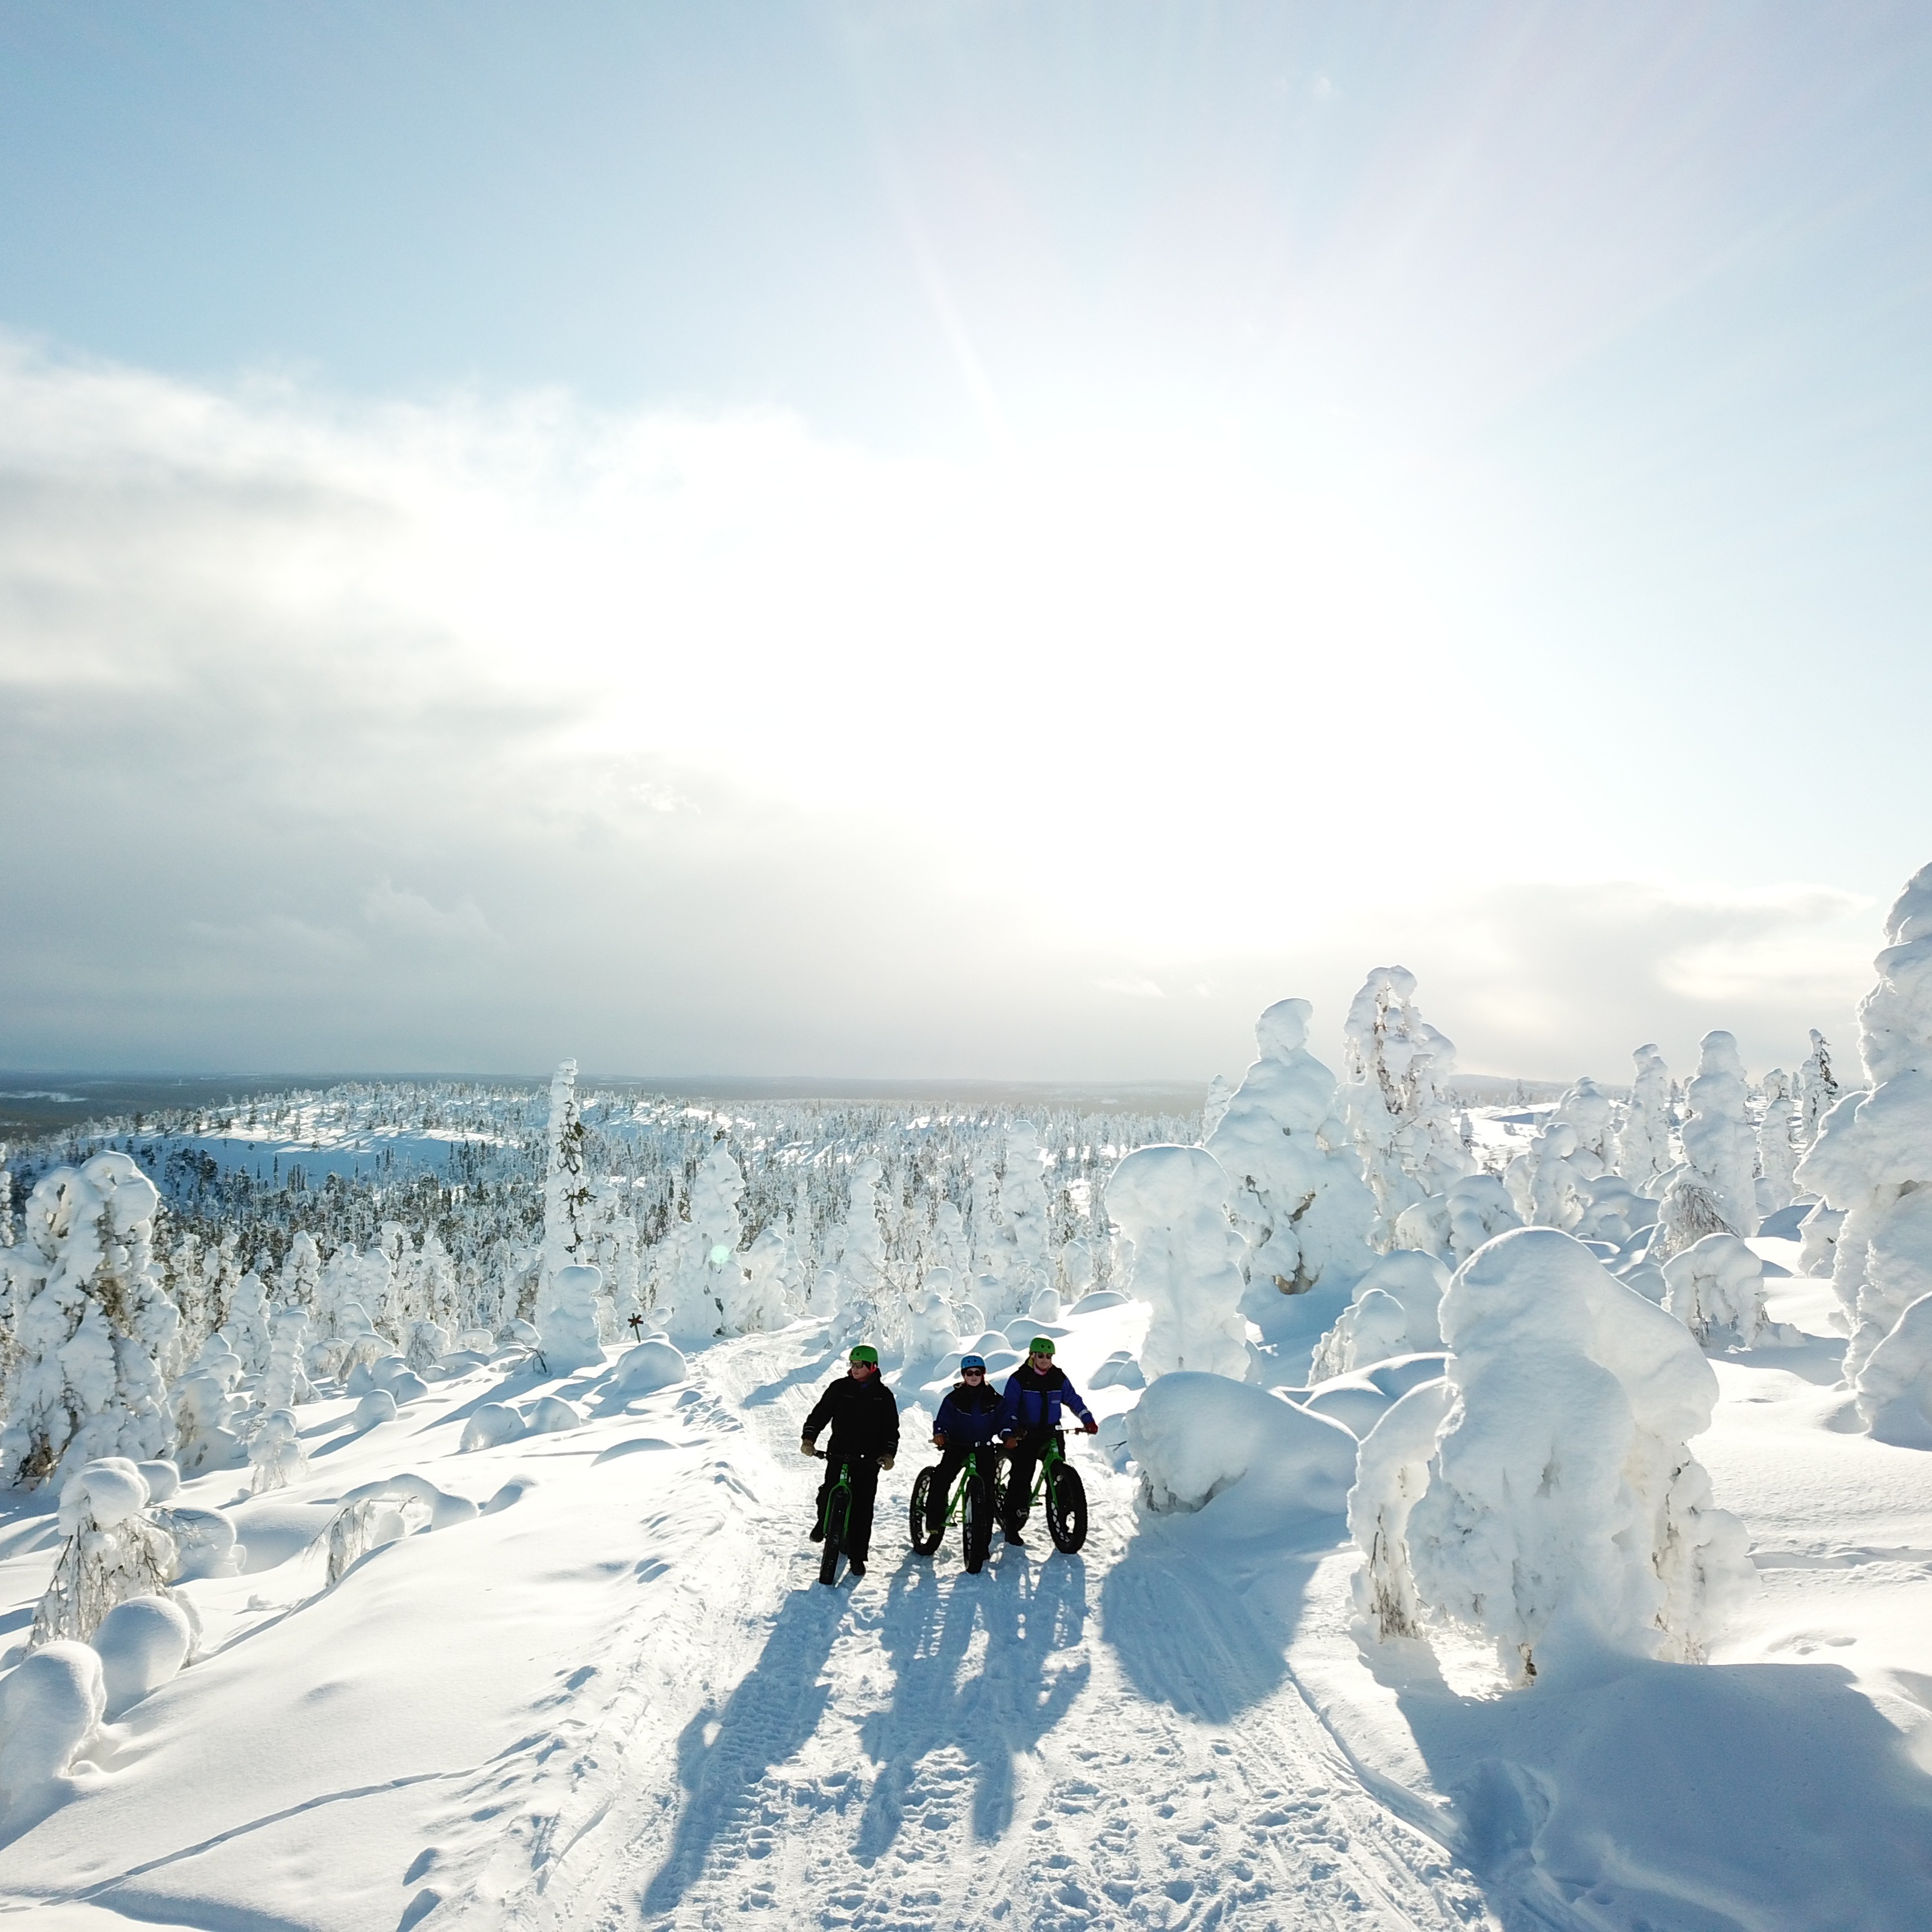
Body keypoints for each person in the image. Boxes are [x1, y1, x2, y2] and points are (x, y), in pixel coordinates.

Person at [800, 1344, 900, 1577]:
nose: (854, 1370)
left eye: (859, 1366)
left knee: (862, 1507)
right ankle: (822, 1522)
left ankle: (857, 1556)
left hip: (868, 1459)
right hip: (839, 1452)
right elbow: (820, 1413)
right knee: (827, 1493)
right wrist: (809, 1438)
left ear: (872, 1367)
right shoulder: (839, 1388)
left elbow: (891, 1429)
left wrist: (888, 1453)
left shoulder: (883, 1396)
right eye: (852, 1366)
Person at [998, 1337, 1097, 1545]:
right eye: (1041, 1356)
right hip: (1026, 1434)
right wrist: (1013, 1428)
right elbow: (1010, 1407)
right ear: (1032, 1356)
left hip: (1051, 1432)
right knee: (1021, 1477)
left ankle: (1062, 1518)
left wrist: (1087, 1418)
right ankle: (1011, 1522)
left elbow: (1073, 1398)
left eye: (1049, 1356)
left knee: (1058, 1476)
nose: (1045, 1360)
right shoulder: (1020, 1379)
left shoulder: (1057, 1377)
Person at [925, 1354, 1005, 1539]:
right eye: (969, 1373)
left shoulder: (994, 1399)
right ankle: (933, 1519)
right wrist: (940, 1434)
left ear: (984, 1374)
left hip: (984, 1447)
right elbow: (943, 1420)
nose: (974, 1376)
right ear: (963, 1375)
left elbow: (1004, 1420)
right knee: (941, 1478)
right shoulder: (953, 1399)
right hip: (957, 1446)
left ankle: (984, 1538)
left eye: (978, 1372)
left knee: (988, 1492)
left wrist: (1008, 1434)